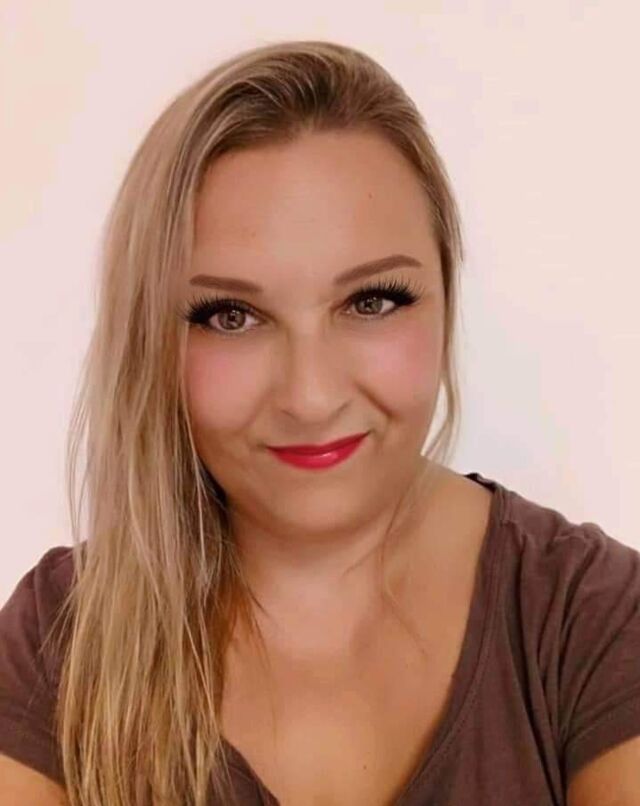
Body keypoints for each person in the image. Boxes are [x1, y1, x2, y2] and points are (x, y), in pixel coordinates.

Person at [0, 39, 639, 806]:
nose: (309, 396)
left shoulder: (593, 619)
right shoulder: (58, 645)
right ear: (151, 337)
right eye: (231, 315)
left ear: (446, 297)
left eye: (371, 302)